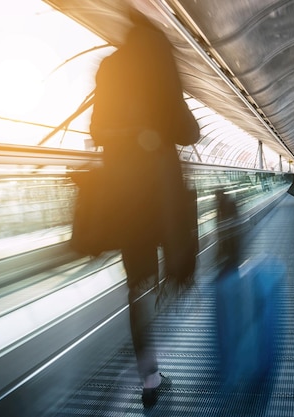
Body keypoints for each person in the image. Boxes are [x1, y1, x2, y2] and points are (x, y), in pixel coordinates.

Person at [89, 6, 199, 408]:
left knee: (136, 286)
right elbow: (189, 130)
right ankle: (171, 293)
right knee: (173, 265)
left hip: (124, 196)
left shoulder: (109, 68)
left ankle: (149, 378)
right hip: (162, 196)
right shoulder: (160, 68)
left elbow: (96, 129)